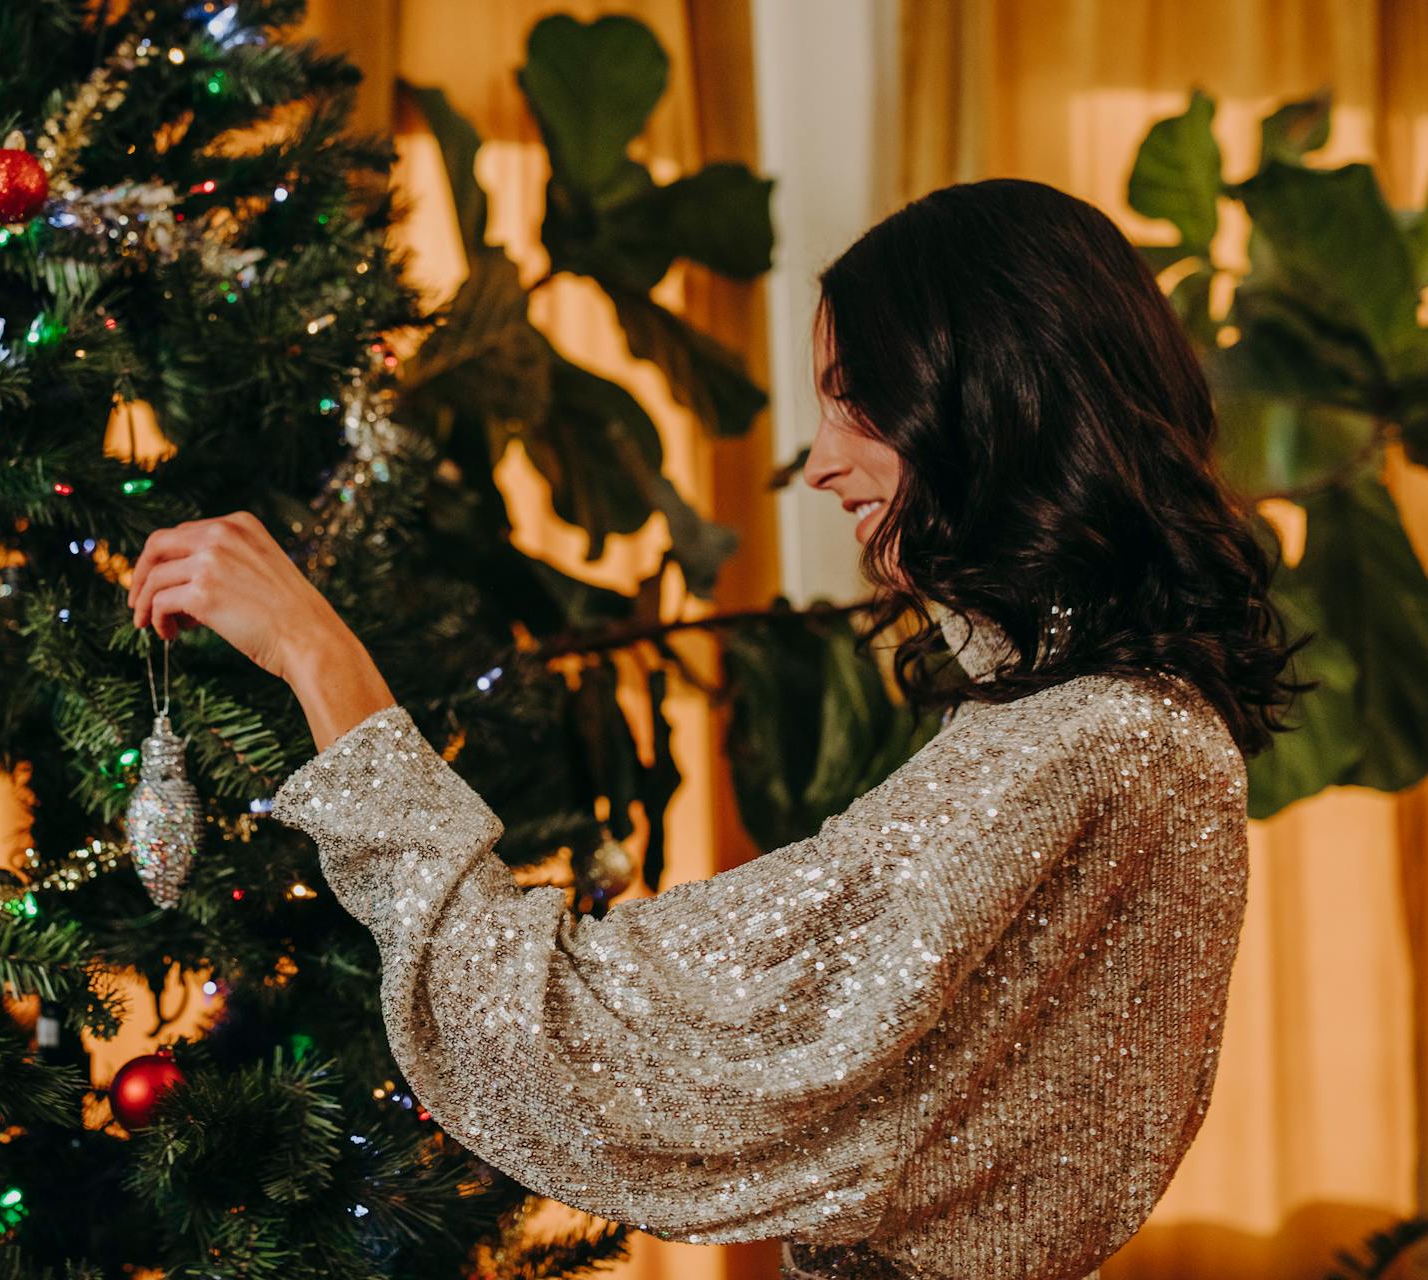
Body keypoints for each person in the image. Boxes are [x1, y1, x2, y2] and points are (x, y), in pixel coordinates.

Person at [123, 178, 1310, 1280]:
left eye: (857, 405)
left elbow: (580, 1036)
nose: (821, 463)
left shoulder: (1096, 746)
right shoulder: (1107, 724)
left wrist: (320, 660)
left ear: (996, 398)